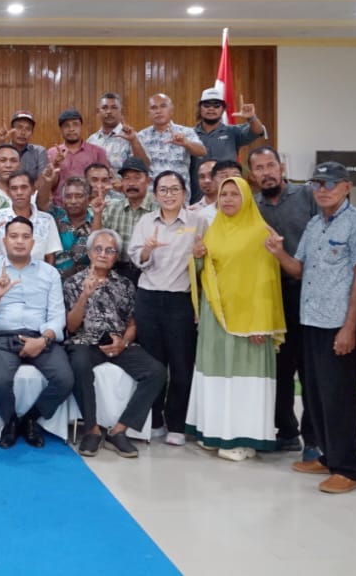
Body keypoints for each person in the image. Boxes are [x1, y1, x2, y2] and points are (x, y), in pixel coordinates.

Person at [266, 161, 356, 494]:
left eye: (329, 184)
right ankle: (328, 457)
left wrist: (350, 328)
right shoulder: (315, 224)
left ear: (346, 187)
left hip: (336, 325)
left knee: (339, 397)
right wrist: (277, 251)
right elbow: (298, 270)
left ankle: (349, 469)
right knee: (315, 394)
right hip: (309, 321)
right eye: (317, 184)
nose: (322, 190)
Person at [185, 176, 284, 461]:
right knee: (217, 376)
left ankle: (244, 438)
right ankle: (216, 432)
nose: (227, 199)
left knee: (243, 380)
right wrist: (198, 257)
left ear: (246, 198)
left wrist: (261, 324)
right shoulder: (215, 229)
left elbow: (267, 281)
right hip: (217, 318)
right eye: (223, 194)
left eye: (234, 194)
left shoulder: (259, 232)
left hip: (249, 322)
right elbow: (207, 272)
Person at [64, 229, 167, 458]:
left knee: (156, 372)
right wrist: (84, 296)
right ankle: (91, 429)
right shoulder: (73, 282)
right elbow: (70, 327)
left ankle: (119, 430)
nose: (103, 254)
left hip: (117, 342)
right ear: (89, 253)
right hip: (84, 341)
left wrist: (124, 342)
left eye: (109, 250)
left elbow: (132, 323)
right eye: (98, 249)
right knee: (78, 364)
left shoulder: (126, 285)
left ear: (116, 256)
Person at [0, 217, 72, 448]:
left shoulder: (49, 273)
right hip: (1, 336)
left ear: (33, 241)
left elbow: (57, 316)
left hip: (40, 336)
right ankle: (10, 421)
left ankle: (30, 419)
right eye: (14, 236)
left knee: (65, 379)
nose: (20, 242)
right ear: (4, 240)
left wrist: (43, 340)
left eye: (25, 237)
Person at [250, 146, 320, 458]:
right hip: (272, 297)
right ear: (252, 175)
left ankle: (315, 439)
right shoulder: (252, 206)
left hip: (311, 294)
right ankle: (287, 432)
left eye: (270, 165)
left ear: (281, 167)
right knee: (279, 370)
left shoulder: (307, 197)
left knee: (311, 371)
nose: (266, 173)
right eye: (259, 168)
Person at [128, 170, 205, 445]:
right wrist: (147, 250)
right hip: (149, 299)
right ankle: (156, 420)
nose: (169, 195)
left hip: (181, 301)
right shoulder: (146, 222)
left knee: (182, 365)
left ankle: (177, 423)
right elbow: (136, 258)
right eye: (163, 190)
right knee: (154, 364)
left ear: (185, 193)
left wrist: (200, 255)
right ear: (155, 193)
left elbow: (206, 261)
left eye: (175, 189)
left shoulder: (198, 222)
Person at [0, 172, 62, 265]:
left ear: (33, 190)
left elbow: (50, 256)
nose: (19, 192)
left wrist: (47, 277)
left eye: (24, 187)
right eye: (14, 188)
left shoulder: (46, 220)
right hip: (4, 276)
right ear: (8, 192)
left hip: (37, 276)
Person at [137, 94, 206, 201]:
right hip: (151, 200)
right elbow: (138, 166)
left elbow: (202, 151)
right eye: (154, 108)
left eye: (163, 106)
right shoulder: (141, 136)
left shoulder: (185, 132)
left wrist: (186, 143)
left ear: (171, 110)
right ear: (148, 113)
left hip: (179, 198)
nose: (158, 111)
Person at [99, 157, 157, 282]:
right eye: (127, 178)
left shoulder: (158, 208)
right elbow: (96, 240)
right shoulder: (112, 208)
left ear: (148, 180)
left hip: (151, 271)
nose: (131, 183)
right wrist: (97, 214)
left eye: (137, 178)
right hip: (118, 272)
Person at [40, 109, 109, 208]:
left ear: (81, 127)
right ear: (61, 130)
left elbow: (105, 182)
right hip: (59, 208)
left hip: (89, 209)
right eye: (66, 126)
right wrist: (55, 165)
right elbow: (47, 185)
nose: (71, 129)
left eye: (75, 124)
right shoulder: (52, 153)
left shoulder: (97, 152)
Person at [194, 88, 266, 163]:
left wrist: (252, 117)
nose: (211, 108)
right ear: (200, 108)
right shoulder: (190, 134)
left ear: (223, 109)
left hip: (228, 175)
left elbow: (258, 131)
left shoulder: (233, 131)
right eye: (206, 105)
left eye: (216, 105)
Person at [50, 176, 98, 280]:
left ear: (88, 199)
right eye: (68, 196)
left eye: (79, 196)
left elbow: (97, 248)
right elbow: (41, 201)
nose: (73, 201)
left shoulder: (96, 223)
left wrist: (98, 213)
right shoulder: (55, 217)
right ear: (63, 199)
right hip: (55, 284)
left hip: (84, 286)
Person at [87, 92, 148, 172]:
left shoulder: (132, 137)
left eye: (114, 107)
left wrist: (133, 141)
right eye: (105, 108)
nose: (109, 111)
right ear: (98, 112)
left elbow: (145, 166)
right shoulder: (91, 141)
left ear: (122, 111)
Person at [0, 110, 48, 183]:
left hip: (33, 193)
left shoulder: (39, 152)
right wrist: (1, 142)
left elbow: (43, 180)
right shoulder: (3, 149)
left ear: (32, 133)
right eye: (19, 127)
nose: (23, 133)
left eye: (28, 129)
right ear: (11, 129)